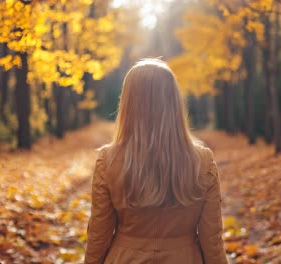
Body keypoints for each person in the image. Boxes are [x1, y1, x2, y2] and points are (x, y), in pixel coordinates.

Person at [84, 58, 228, 264]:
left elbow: (99, 234)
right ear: (174, 103)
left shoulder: (108, 160)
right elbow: (212, 240)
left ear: (127, 103)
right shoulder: (202, 161)